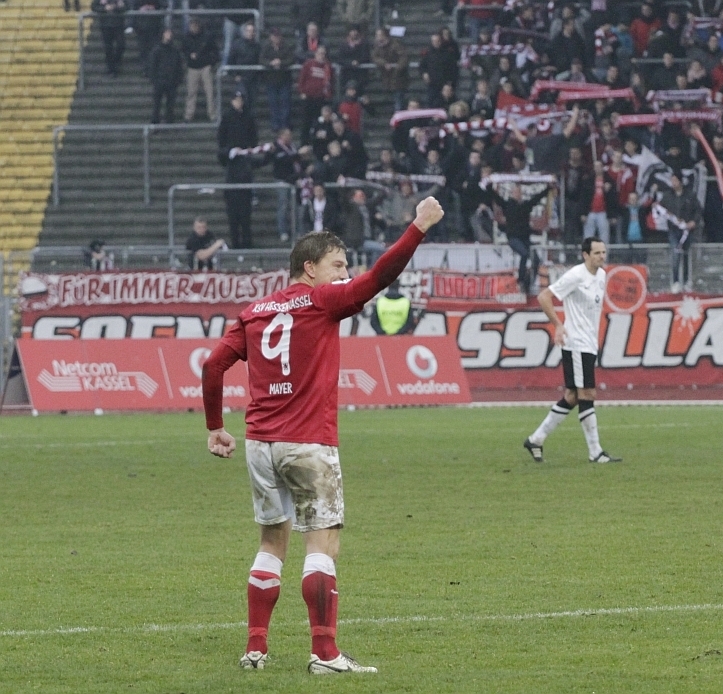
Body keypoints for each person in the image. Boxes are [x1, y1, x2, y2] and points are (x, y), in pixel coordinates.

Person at [200, 197, 445, 675]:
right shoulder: (321, 300)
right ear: (309, 268)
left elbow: (213, 365)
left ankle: (255, 649)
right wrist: (418, 226)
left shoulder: (254, 312)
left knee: (271, 542)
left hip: (260, 445)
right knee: (323, 544)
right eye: (337, 265)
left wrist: (214, 428)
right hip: (308, 442)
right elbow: (380, 278)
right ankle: (326, 654)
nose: (344, 274)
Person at [523, 238, 621, 465]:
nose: (602, 256)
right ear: (585, 255)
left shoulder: (602, 275)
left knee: (573, 396)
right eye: (597, 253)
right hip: (576, 343)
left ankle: (536, 440)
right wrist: (558, 325)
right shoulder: (576, 275)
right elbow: (544, 297)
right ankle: (595, 452)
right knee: (588, 394)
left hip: (589, 343)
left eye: (603, 252)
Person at [483, 180, 551, 295]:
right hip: (513, 238)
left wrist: (548, 189)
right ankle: (521, 281)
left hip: (525, 238)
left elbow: (536, 199)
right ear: (512, 193)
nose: (519, 194)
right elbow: (496, 198)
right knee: (524, 254)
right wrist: (489, 187)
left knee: (536, 260)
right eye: (516, 192)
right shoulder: (508, 205)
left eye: (520, 192)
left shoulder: (525, 206)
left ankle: (529, 282)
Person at [182, 18, 219, 122]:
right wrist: (189, 56)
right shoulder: (186, 37)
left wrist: (210, 62)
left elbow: (215, 51)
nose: (193, 28)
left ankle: (212, 115)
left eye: (195, 26)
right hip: (192, 67)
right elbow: (183, 50)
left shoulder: (207, 37)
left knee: (210, 92)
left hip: (205, 67)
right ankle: (189, 115)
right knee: (191, 92)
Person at [260, 28, 295, 134]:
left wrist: (281, 62)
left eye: (278, 36)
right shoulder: (266, 47)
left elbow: (291, 59)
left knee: (285, 102)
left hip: (284, 79)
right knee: (273, 103)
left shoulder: (287, 46)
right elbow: (261, 59)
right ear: (271, 37)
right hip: (271, 80)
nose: (276, 38)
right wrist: (271, 63)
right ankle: (275, 124)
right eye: (274, 36)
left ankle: (284, 124)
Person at [149, 28, 184, 124]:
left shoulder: (175, 51)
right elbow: (152, 66)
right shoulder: (157, 50)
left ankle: (169, 121)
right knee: (157, 104)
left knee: (170, 105)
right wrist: (155, 80)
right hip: (160, 81)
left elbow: (179, 66)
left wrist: (178, 79)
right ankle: (155, 122)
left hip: (172, 81)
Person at [91, 0, 125, 76]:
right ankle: (111, 69)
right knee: (108, 48)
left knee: (121, 45)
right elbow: (94, 7)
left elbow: (127, 6)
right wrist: (104, 8)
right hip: (105, 25)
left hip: (118, 25)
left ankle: (116, 61)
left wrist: (118, 7)